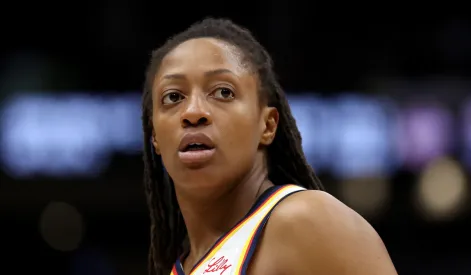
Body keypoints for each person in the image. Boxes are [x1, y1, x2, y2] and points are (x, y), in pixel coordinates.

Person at [141, 18, 398, 275]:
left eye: (223, 92)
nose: (193, 112)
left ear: (268, 126)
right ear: (154, 136)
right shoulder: (180, 267)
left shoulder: (305, 221)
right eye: (173, 97)